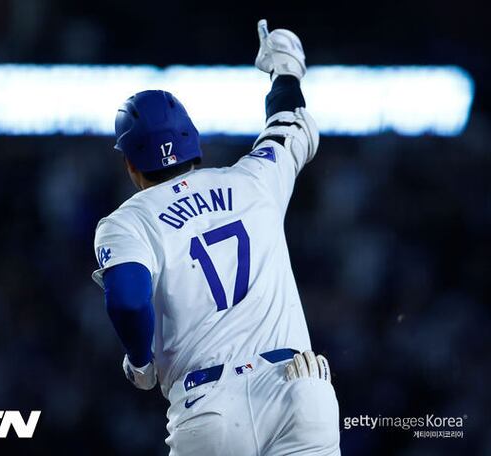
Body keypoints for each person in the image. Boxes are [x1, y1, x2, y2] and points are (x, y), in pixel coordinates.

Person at [92, 19, 340, 456]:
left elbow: (127, 299)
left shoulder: (128, 221)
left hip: (209, 406)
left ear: (130, 165)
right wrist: (285, 69)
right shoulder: (254, 178)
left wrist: (141, 362)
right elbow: (290, 124)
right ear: (194, 140)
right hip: (296, 387)